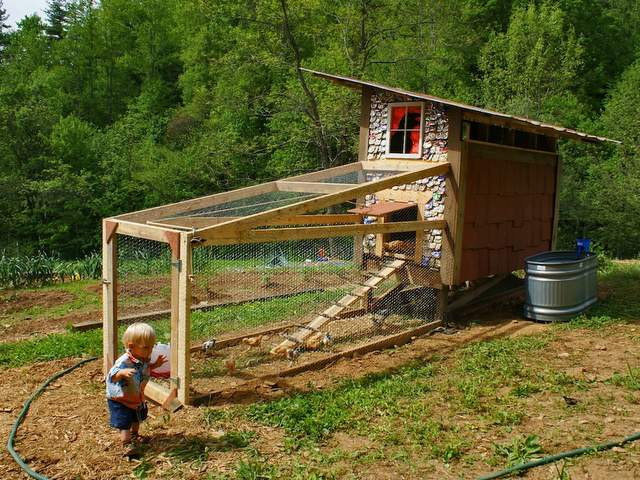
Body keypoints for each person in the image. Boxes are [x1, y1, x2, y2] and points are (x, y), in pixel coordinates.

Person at [106, 323, 167, 449]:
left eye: (152, 346)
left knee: (136, 418)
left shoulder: (143, 358)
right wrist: (122, 373)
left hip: (136, 397)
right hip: (120, 399)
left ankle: (135, 434)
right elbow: (112, 375)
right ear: (131, 346)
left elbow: (146, 368)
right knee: (124, 422)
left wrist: (156, 364)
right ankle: (127, 443)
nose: (150, 350)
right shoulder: (124, 361)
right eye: (146, 347)